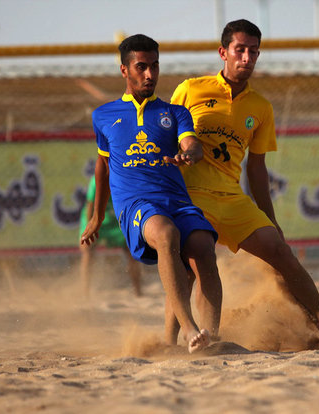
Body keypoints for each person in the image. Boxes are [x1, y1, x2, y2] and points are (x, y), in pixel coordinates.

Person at [170, 19, 319, 350]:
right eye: (240, 50)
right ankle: (183, 339)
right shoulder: (191, 89)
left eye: (254, 51)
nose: (247, 58)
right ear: (223, 52)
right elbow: (166, 137)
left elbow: (256, 170)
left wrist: (272, 220)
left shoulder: (260, 108)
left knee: (281, 253)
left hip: (231, 198)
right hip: (191, 196)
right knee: (192, 264)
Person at [80, 34, 222, 353]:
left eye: (155, 66)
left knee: (202, 247)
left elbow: (192, 145)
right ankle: (189, 330)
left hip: (177, 201)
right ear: (124, 70)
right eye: (141, 67)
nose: (150, 74)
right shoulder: (104, 116)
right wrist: (97, 216)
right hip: (137, 205)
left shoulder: (175, 113)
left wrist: (190, 154)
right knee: (166, 234)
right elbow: (102, 168)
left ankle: (210, 339)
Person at [79, 176, 142, 297]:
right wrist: (90, 226)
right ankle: (85, 291)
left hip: (117, 219)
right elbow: (90, 205)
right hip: (96, 217)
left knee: (132, 251)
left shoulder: (126, 175)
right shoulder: (97, 179)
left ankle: (138, 290)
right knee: (87, 250)